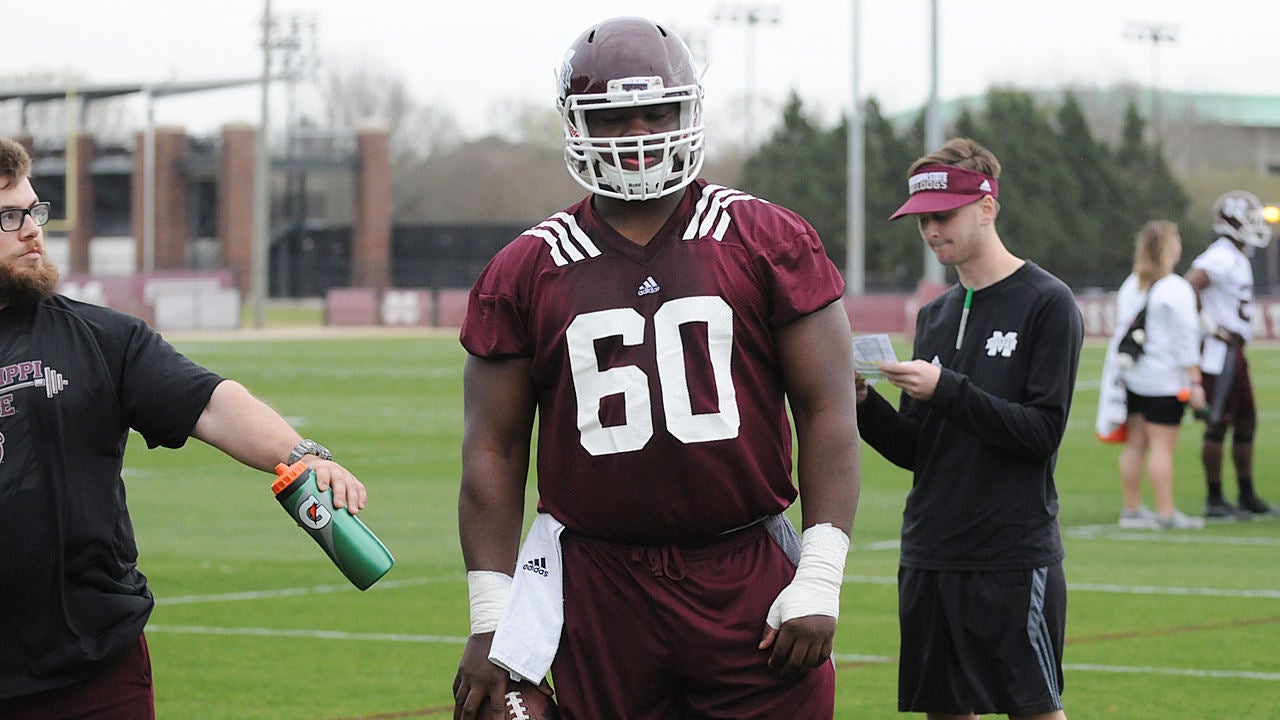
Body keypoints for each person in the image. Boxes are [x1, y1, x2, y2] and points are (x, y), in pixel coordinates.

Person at [452, 16, 860, 720]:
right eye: (614, 117)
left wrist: (821, 575)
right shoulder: (526, 269)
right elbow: (492, 447)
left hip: (746, 576)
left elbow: (828, 410)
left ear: (689, 112)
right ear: (579, 126)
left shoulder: (767, 239)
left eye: (657, 112)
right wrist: (491, 613)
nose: (638, 134)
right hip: (600, 586)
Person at [0, 136, 369, 719]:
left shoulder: (101, 339)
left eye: (35, 210)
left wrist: (303, 454)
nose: (32, 230)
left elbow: (212, 403)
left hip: (93, 668)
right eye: (8, 216)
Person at [855, 137, 1080, 720]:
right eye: (922, 221)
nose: (931, 232)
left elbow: (1041, 433)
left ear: (987, 207)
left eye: (943, 216)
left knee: (1035, 709)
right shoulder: (934, 313)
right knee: (945, 711)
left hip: (1009, 553)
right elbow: (916, 450)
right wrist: (862, 403)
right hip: (930, 550)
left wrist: (946, 390)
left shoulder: (1047, 303)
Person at [1108, 220, 1206, 530]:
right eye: (1175, 240)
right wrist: (1195, 380)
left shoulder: (1132, 284)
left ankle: (1132, 509)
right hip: (1164, 379)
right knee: (1162, 447)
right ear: (1167, 248)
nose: (1179, 246)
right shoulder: (1175, 288)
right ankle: (1165, 512)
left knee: (1136, 443)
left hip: (1135, 377)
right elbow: (1185, 339)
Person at [1186, 190, 1274, 520]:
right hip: (1219, 353)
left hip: (1235, 351)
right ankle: (1215, 498)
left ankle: (1247, 494)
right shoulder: (1220, 256)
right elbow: (1189, 284)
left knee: (1247, 420)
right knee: (1217, 424)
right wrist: (1207, 324)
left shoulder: (1237, 255)